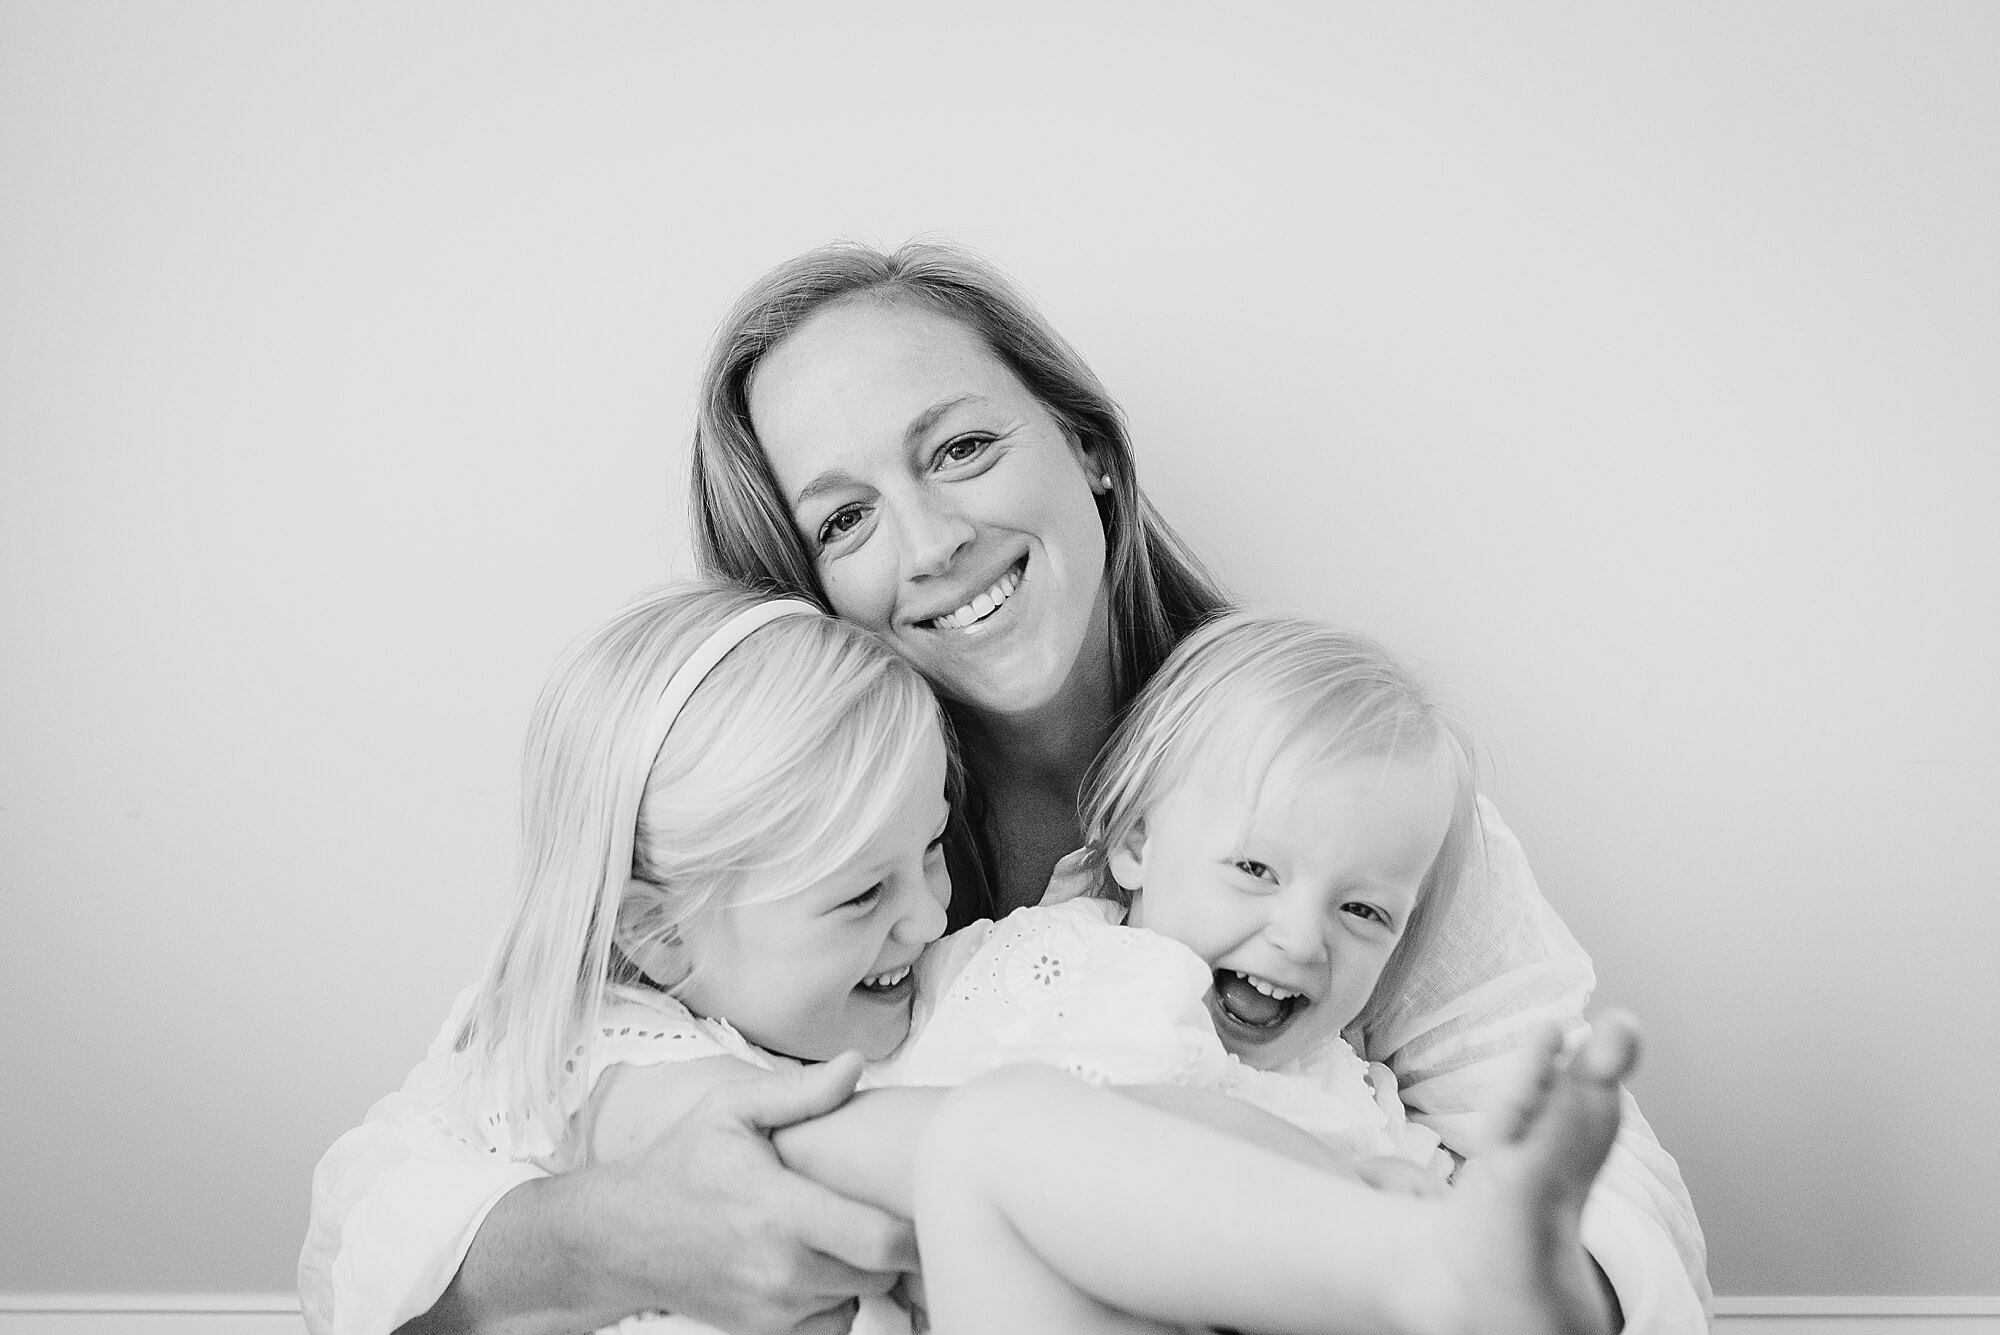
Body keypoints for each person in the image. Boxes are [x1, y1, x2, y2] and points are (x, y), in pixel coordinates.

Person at [300, 240, 1709, 1334]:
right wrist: (611, 1230)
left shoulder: (1321, 779)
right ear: (806, 585)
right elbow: (397, 1175)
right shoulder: (766, 815)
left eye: (959, 446)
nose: (932, 542)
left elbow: (1607, 1185)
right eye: (844, 517)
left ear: (1088, 449)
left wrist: (1489, 1276)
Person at [340, 576, 1645, 1335]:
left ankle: (1431, 1267)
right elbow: (823, 1155)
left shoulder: (977, 983)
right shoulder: (604, 1051)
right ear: (659, 933)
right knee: (994, 1136)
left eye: (932, 856)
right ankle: (1421, 1267)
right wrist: (1292, 1175)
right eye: (862, 893)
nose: (925, 917)